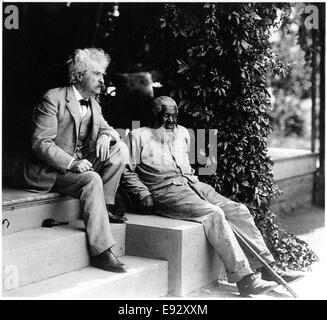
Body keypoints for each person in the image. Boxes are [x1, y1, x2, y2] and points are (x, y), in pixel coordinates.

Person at [121, 96, 303, 296]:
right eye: (165, 116)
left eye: (174, 116)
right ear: (154, 115)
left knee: (238, 210)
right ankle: (244, 279)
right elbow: (126, 171)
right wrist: (142, 192)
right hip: (165, 190)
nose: (171, 121)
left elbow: (186, 166)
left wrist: (196, 185)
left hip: (194, 185)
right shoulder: (137, 136)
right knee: (213, 214)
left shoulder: (182, 133)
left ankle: (268, 269)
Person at [20, 48, 128, 273]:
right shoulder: (53, 98)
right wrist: (72, 163)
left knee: (119, 150)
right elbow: (41, 143)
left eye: (102, 75)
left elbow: (109, 129)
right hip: (51, 170)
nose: (102, 79)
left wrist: (106, 135)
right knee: (91, 179)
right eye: (97, 74)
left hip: (81, 163)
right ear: (79, 75)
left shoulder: (94, 102)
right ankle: (101, 251)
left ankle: (103, 208)